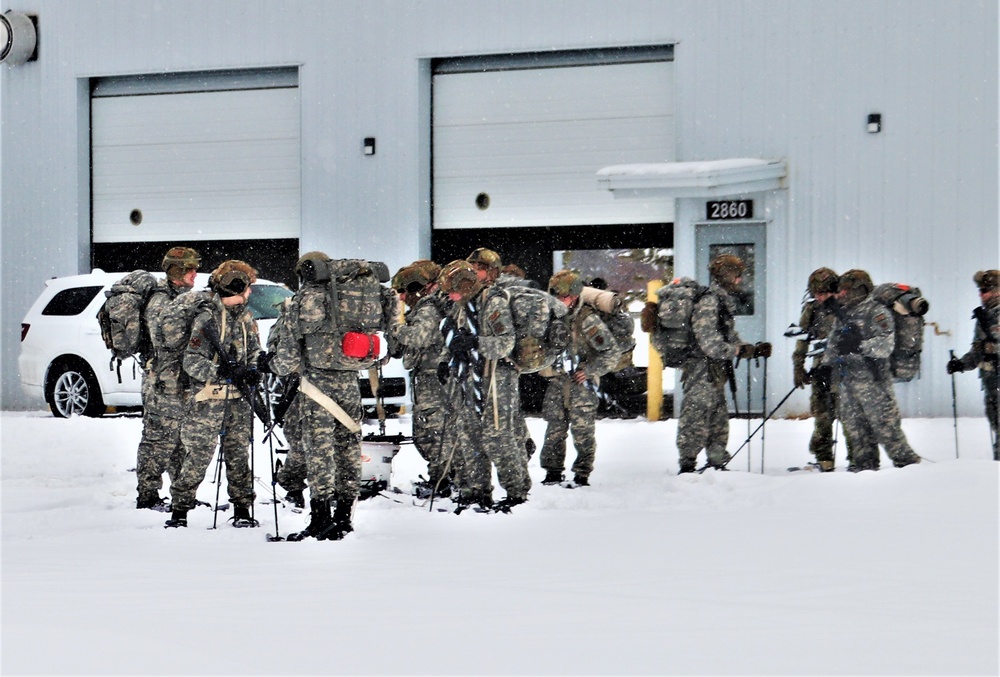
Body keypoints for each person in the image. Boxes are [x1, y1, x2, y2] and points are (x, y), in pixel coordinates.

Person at [270, 253, 400, 540]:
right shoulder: (361, 297)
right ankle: (344, 516)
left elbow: (287, 360)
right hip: (350, 383)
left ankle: (320, 519)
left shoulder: (305, 301)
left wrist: (271, 364)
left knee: (320, 451)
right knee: (348, 449)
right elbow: (392, 340)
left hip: (316, 386)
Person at [165, 260, 263, 527]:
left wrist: (253, 370)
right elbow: (192, 360)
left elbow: (254, 351)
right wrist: (222, 371)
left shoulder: (245, 318)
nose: (250, 292)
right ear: (237, 289)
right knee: (197, 457)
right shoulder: (207, 317)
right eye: (247, 288)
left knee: (239, 456)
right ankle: (179, 511)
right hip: (209, 401)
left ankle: (243, 509)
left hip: (239, 402)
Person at [676, 254, 766, 473]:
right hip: (700, 368)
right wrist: (735, 350)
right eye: (737, 275)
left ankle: (717, 461)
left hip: (714, 369)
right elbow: (708, 342)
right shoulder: (708, 301)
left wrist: (750, 349)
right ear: (726, 275)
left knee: (718, 417)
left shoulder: (721, 300)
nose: (739, 280)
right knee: (696, 415)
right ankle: (687, 464)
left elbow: (728, 336)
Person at [827, 269, 921, 471]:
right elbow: (833, 344)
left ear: (859, 290)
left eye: (846, 289)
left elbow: (885, 345)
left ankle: (914, 472)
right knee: (857, 435)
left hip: (874, 385)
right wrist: (826, 366)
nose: (842, 294)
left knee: (888, 434)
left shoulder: (876, 312)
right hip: (849, 385)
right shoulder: (843, 314)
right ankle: (865, 475)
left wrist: (859, 346)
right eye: (841, 290)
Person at [539, 270, 621, 486]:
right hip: (557, 380)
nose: (559, 301)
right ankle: (552, 472)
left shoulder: (587, 320)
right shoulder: (549, 316)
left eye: (563, 297)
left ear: (574, 296)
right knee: (554, 430)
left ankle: (582, 473)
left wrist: (591, 370)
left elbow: (611, 351)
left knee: (582, 430)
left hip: (581, 383)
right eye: (556, 296)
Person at [465, 248, 531, 511]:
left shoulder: (495, 301)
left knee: (497, 436)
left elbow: (505, 344)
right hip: (475, 375)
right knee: (472, 433)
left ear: (491, 272)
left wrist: (476, 343)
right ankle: (478, 491)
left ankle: (517, 491)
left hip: (498, 376)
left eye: (478, 267)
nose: (473, 272)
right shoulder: (471, 299)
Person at [135, 246, 201, 510]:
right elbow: (166, 341)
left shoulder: (182, 297)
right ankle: (147, 495)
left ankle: (181, 495)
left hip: (179, 381)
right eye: (190, 269)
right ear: (177, 271)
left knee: (180, 441)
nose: (195, 273)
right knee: (157, 440)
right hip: (162, 382)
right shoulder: (161, 301)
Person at [387, 260, 452, 496]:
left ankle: (443, 480)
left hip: (434, 380)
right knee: (425, 434)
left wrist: (395, 324)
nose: (402, 298)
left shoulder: (428, 309)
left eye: (404, 291)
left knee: (434, 434)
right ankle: (442, 476)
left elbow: (416, 338)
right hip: (426, 379)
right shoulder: (425, 307)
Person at [791, 267, 855, 471]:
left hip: (845, 370)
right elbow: (802, 338)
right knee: (822, 415)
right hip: (820, 370)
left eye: (824, 293)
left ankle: (858, 458)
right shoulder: (812, 309)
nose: (820, 297)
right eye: (816, 293)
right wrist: (798, 366)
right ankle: (824, 457)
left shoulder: (847, 307)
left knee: (848, 415)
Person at [947, 269, 1000, 461]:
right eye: (980, 290)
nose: (981, 294)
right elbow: (977, 351)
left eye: (985, 290)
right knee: (996, 423)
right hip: (992, 383)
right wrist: (961, 364)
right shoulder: (984, 318)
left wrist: (992, 349)